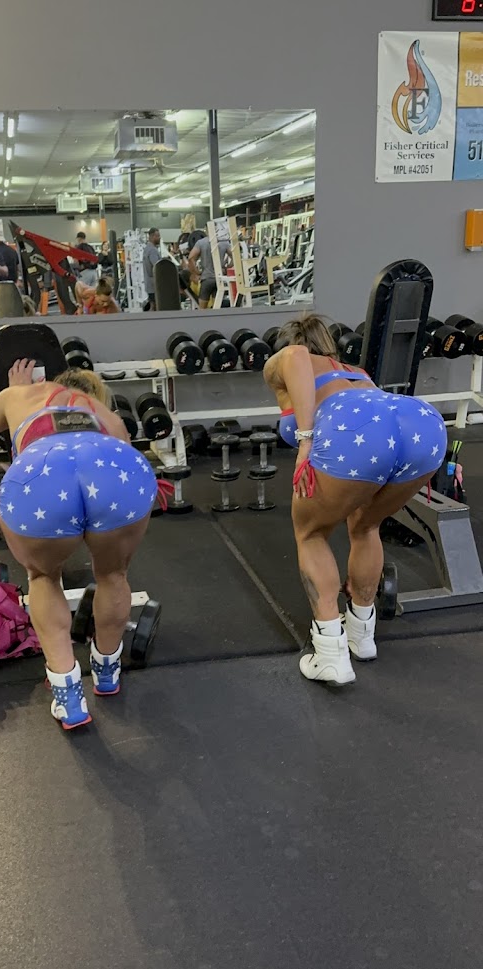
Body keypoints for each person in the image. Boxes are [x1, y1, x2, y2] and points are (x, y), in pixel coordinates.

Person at [263, 315, 446, 687]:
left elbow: (295, 356)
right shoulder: (356, 372)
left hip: (357, 432)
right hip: (422, 423)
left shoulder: (284, 360)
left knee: (311, 534)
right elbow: (380, 421)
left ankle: (330, 655)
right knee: (365, 525)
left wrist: (305, 440)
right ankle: (361, 635)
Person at [0, 363, 157, 731]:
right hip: (114, 469)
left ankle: (69, 697)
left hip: (43, 475)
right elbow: (124, 447)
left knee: (43, 577)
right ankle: (107, 672)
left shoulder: (21, 394)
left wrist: (9, 391)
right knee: (113, 574)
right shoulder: (103, 411)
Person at [188, 230, 232, 309]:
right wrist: (228, 266)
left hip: (207, 279)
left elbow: (191, 258)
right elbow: (235, 256)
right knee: (217, 308)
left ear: (206, 230)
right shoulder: (224, 242)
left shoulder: (201, 242)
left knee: (202, 310)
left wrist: (196, 272)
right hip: (219, 280)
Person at [142, 227, 161, 310]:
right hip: (154, 285)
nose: (159, 238)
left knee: (153, 305)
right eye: (158, 236)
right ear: (153, 236)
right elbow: (157, 266)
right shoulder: (152, 250)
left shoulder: (146, 249)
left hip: (149, 284)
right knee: (155, 306)